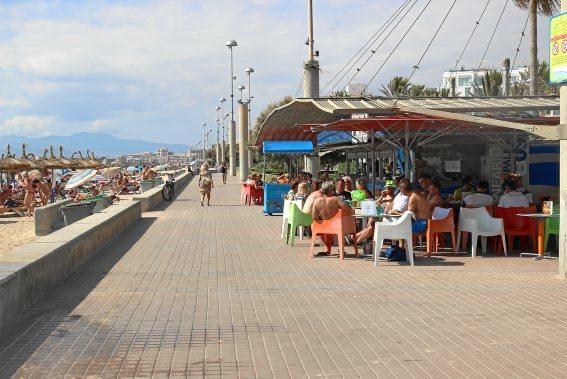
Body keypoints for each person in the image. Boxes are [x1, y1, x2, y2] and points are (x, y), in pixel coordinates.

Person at [312, 181, 353, 256]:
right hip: (336, 227)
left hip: (323, 228)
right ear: (330, 190)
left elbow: (314, 217)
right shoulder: (335, 199)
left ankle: (328, 249)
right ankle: (341, 249)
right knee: (341, 224)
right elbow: (348, 209)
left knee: (326, 225)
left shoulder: (317, 201)